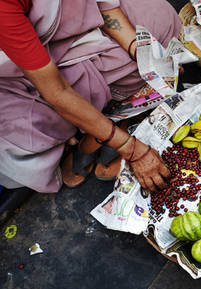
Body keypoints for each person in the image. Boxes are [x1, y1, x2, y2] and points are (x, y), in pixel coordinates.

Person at [0, 0, 182, 193]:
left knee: (161, 24)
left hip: (76, 28)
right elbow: (57, 92)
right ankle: (102, 126)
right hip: (22, 71)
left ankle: (105, 119)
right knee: (30, 123)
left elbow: (104, 7)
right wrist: (131, 149)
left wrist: (138, 52)